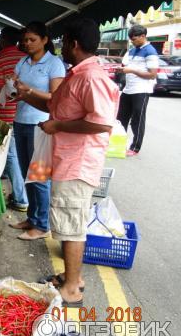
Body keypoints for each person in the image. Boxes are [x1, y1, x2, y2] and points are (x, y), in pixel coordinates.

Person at [15, 18, 120, 306]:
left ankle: (72, 288)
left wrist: (59, 126)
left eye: (63, 41)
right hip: (65, 158)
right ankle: (71, 275)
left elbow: (101, 124)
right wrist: (28, 95)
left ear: (74, 44)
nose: (61, 47)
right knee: (67, 220)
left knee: (71, 223)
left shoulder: (91, 77)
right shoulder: (78, 74)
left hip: (78, 162)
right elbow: (53, 105)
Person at [10, 22, 65, 240]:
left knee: (39, 177)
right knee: (27, 175)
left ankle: (42, 226)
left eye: (32, 39)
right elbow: (18, 89)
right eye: (25, 40)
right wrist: (14, 91)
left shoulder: (54, 64)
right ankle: (32, 219)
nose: (27, 44)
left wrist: (29, 90)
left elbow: (56, 97)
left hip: (41, 125)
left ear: (45, 40)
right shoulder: (22, 62)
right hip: (21, 121)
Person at [0, 28, 28, 211]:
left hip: (7, 113)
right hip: (28, 112)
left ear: (3, 40)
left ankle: (22, 198)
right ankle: (25, 195)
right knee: (24, 156)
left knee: (11, 155)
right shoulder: (27, 58)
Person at [116, 25, 158, 156]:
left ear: (143, 36)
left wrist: (132, 70)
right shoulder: (132, 51)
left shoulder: (150, 51)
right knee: (121, 118)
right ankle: (118, 144)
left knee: (137, 120)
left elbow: (152, 74)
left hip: (141, 90)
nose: (132, 41)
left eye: (134, 39)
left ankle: (135, 147)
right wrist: (121, 69)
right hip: (128, 89)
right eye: (131, 39)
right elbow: (125, 66)